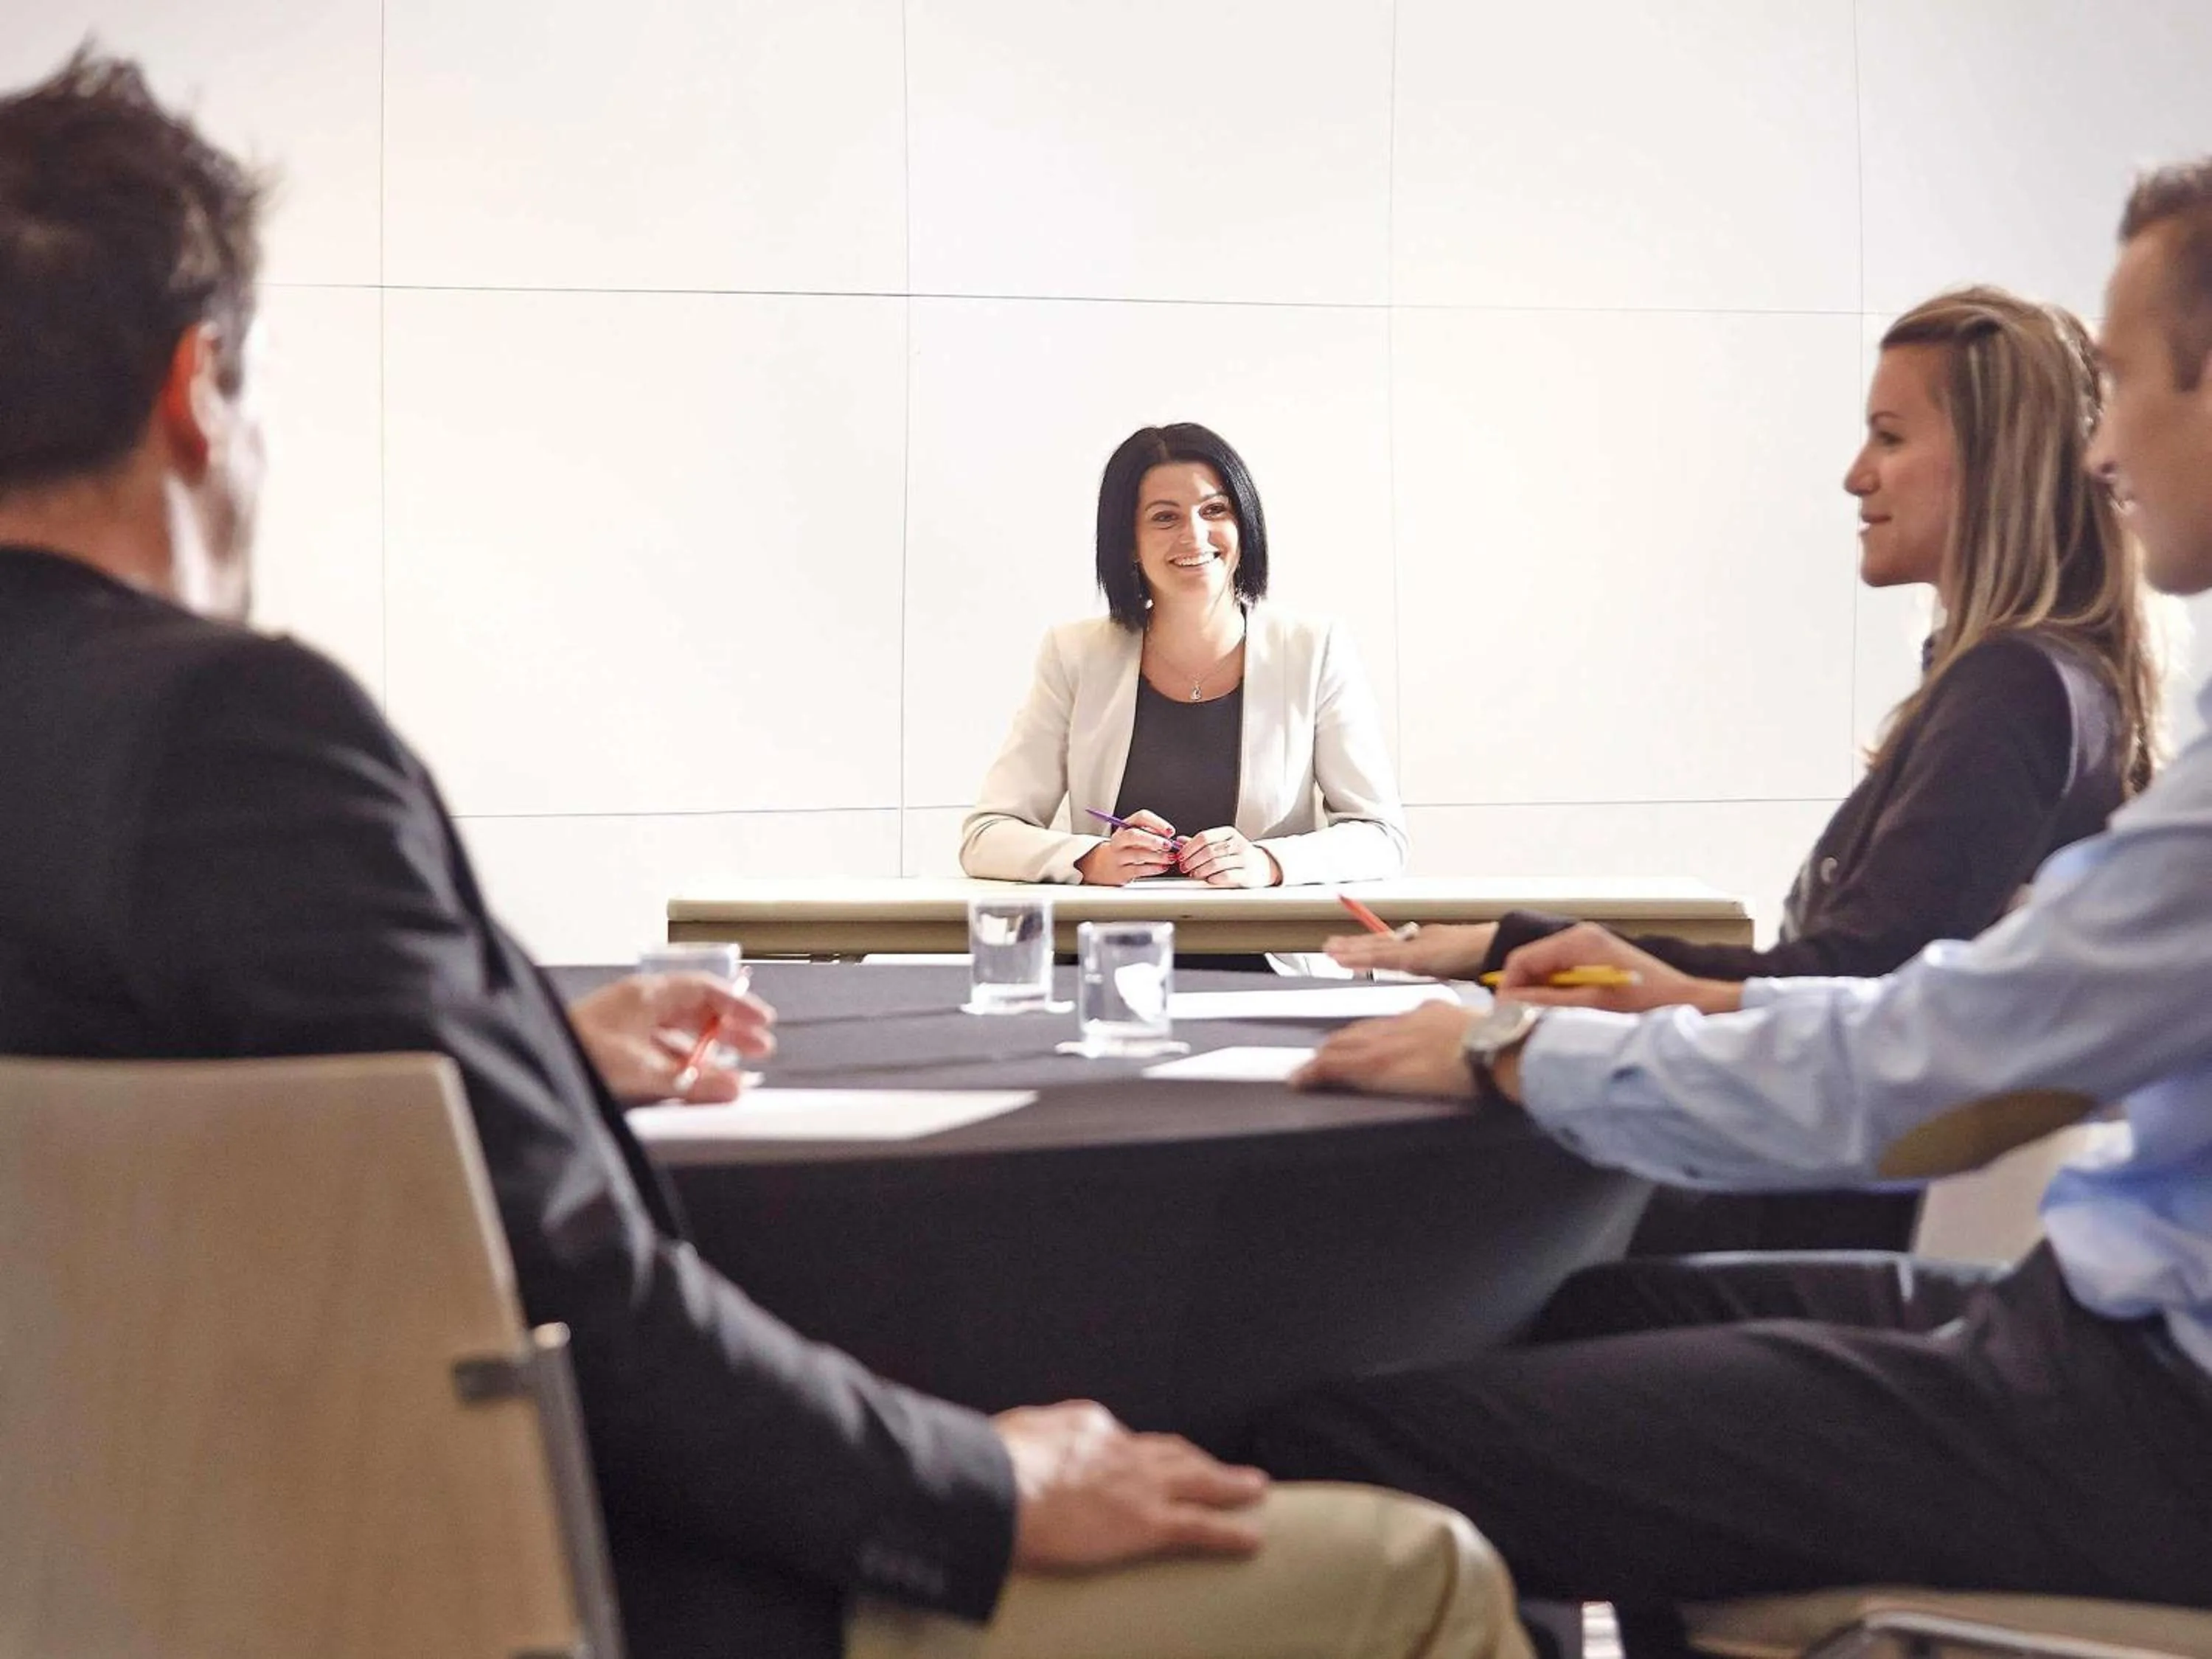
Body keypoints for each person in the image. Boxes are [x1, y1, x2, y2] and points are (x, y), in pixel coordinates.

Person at [0, 51, 1531, 1659]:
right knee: (1418, 1571)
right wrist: (980, 1481)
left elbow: (239, 1078)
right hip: (512, 1582)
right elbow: (587, 1306)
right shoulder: (243, 738)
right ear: (198, 388)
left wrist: (529, 1040)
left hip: (105, 1574)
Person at [1253, 161, 2212, 1658]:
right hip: (2091, 1319)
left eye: (2131, 383)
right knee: (1575, 1320)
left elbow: (1918, 1043)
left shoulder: (2027, 692)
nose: (2104, 447)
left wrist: (1515, 1046)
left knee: (1348, 1448)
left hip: (2151, 1408)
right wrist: (1632, 998)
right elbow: (1946, 1013)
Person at [1328, 286, 2161, 1253]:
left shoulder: (2015, 686)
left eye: (1890, 437)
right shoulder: (2053, 680)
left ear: (1998, 462)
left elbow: (1852, 981)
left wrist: (1526, 966)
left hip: (1828, 1211)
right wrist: (1516, 944)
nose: (1856, 475)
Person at [961, 422, 1406, 891]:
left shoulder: (1313, 650)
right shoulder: (1074, 655)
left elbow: (1381, 835)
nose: (1195, 535)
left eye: (1215, 510)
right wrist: (1091, 859)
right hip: (1113, 935)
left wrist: (1269, 863)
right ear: (1128, 542)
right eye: (1164, 517)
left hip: (1262, 936)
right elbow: (987, 836)